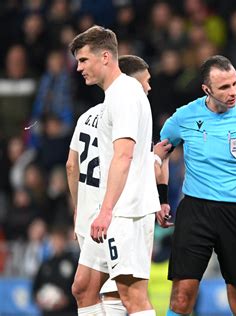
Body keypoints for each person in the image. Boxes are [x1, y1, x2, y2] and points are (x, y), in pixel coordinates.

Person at [156, 55, 236, 315]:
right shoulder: (185, 116)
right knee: (182, 297)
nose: (232, 92)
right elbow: (161, 153)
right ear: (207, 89)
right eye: (224, 87)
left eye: (235, 84)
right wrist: (161, 198)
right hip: (196, 211)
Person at [68, 25, 158, 316]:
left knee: (132, 297)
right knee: (83, 287)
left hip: (125, 212)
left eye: (83, 60)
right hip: (112, 211)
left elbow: (124, 155)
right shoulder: (114, 95)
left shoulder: (125, 95)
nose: (79, 67)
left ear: (105, 57)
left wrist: (105, 210)